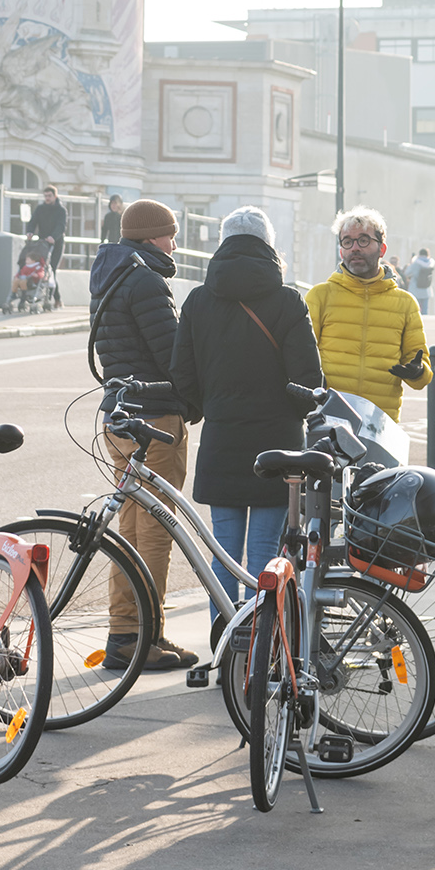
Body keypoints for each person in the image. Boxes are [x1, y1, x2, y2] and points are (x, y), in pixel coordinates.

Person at [171, 207, 323, 612]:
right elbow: (308, 379)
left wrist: (213, 406)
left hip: (222, 436)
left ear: (224, 243)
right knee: (263, 553)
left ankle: (224, 648)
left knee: (223, 552)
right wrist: (291, 412)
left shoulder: (198, 301)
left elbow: (181, 375)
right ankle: (260, 654)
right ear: (268, 245)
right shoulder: (289, 302)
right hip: (277, 442)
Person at [89, 197, 198, 672]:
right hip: (155, 420)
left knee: (129, 531)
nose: (174, 244)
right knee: (155, 533)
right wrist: (195, 398)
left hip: (120, 416)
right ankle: (146, 637)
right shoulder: (147, 280)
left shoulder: (110, 273)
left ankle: (123, 632)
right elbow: (172, 354)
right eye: (170, 234)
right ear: (153, 235)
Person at [306, 208, 432, 421]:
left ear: (382, 249)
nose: (355, 248)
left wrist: (417, 371)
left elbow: (422, 375)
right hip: (328, 417)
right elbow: (302, 359)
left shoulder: (405, 303)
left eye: (363, 240)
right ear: (341, 251)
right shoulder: (320, 296)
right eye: (347, 241)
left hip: (380, 422)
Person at [25, 185, 67, 271]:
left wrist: (53, 237)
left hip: (57, 242)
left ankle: (53, 283)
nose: (47, 198)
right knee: (40, 266)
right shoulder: (40, 209)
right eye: (45, 196)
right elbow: (33, 221)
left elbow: (61, 226)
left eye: (49, 196)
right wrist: (30, 231)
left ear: (55, 196)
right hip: (42, 242)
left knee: (52, 268)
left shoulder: (61, 210)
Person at [403, 247, 435, 315]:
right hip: (426, 289)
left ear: (419, 254)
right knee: (425, 308)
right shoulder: (431, 263)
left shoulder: (416, 263)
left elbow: (407, 273)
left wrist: (411, 263)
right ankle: (426, 319)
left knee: (416, 307)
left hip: (415, 288)